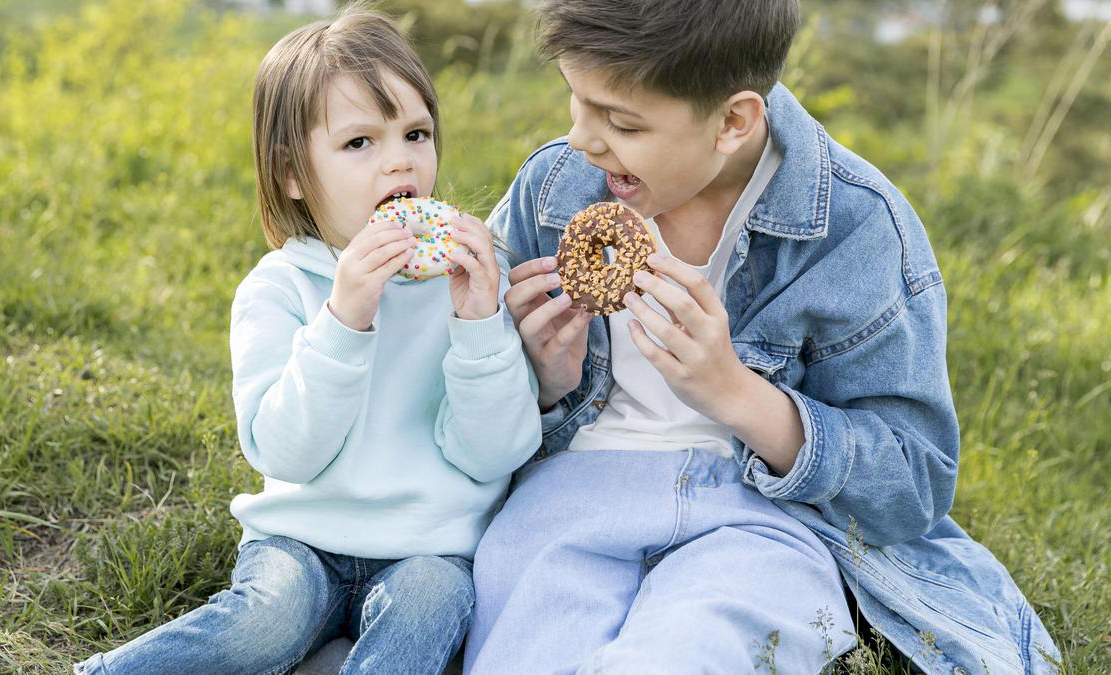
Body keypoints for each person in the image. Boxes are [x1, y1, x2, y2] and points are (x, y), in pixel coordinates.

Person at [464, 1, 1061, 673]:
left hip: (760, 517)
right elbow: (468, 399)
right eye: (576, 100)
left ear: (733, 121)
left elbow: (912, 481)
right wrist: (540, 381)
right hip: (572, 494)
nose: (581, 139)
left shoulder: (858, 228)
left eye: (621, 123)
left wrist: (736, 393)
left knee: (688, 653)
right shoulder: (555, 188)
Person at [74, 9, 541, 675]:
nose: (400, 159)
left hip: (428, 547)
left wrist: (477, 326)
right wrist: (344, 321)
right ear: (292, 172)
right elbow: (286, 450)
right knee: (268, 617)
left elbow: (495, 453)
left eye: (416, 133)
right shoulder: (279, 289)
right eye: (359, 142)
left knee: (431, 603)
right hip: (302, 540)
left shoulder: (469, 281)